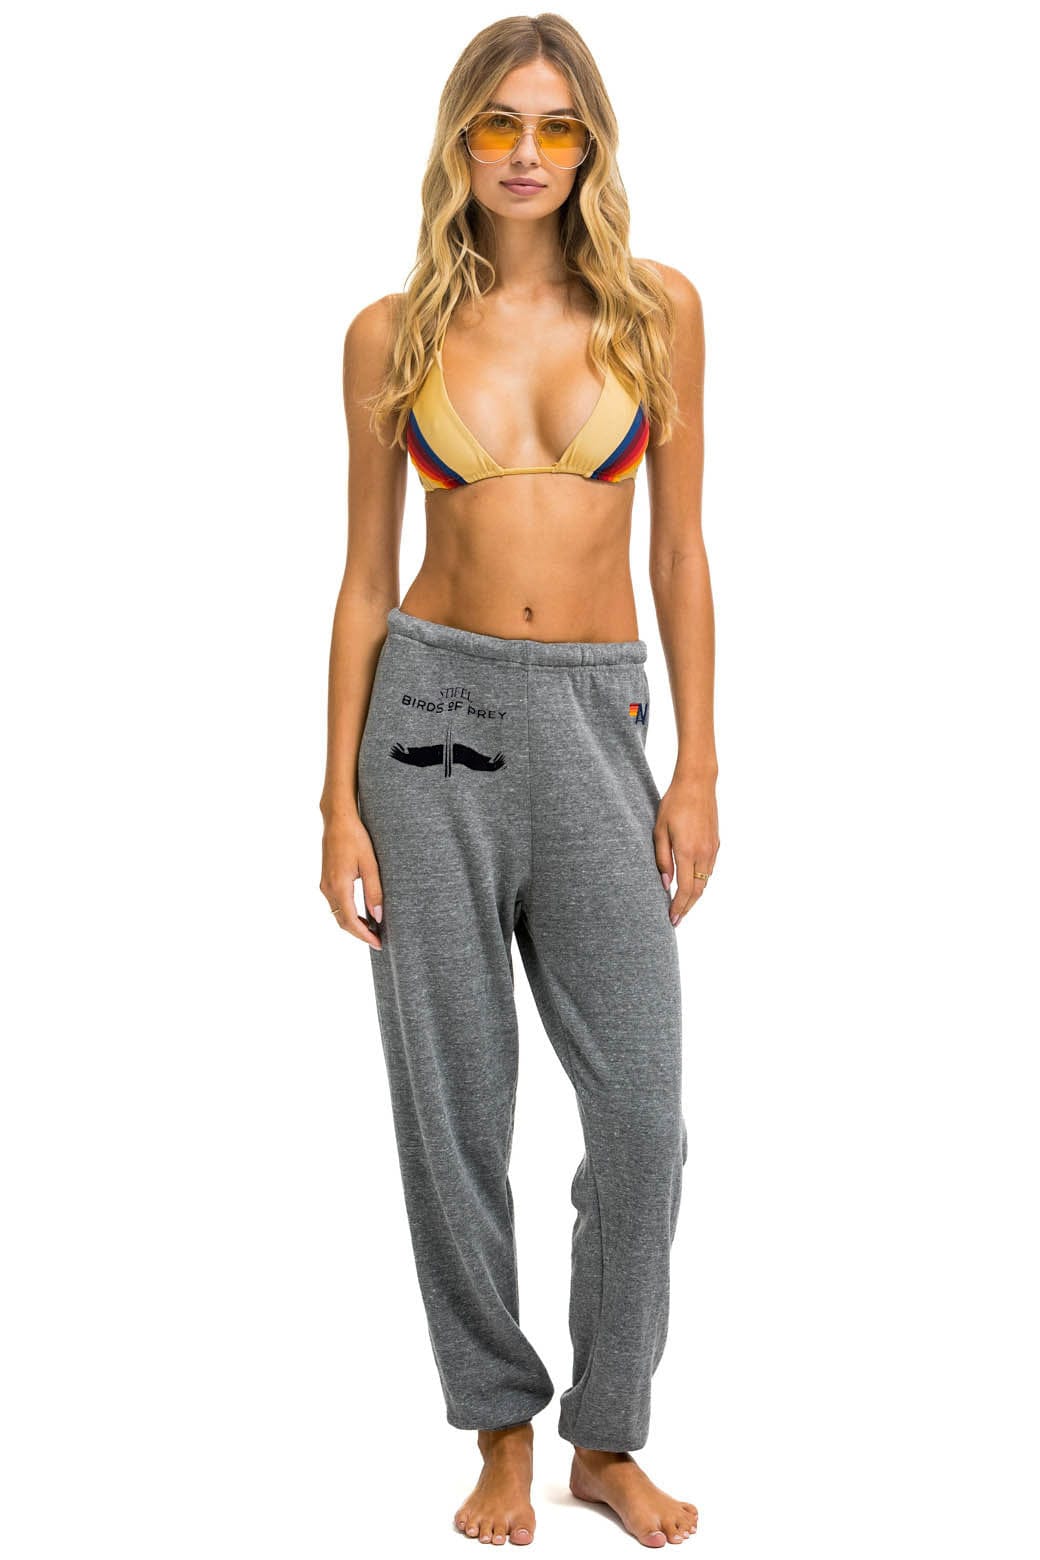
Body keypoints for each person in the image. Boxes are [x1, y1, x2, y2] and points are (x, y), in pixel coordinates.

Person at [319, 14, 717, 1549]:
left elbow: (679, 554)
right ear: (460, 142)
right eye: (499, 124)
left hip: (599, 717)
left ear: (592, 145)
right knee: (456, 1105)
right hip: (428, 720)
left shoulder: (657, 312)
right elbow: (366, 579)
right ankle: (498, 1426)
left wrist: (697, 763)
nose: (528, 153)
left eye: (557, 126)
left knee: (644, 1120)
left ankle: (606, 1439)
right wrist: (335, 801)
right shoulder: (390, 332)